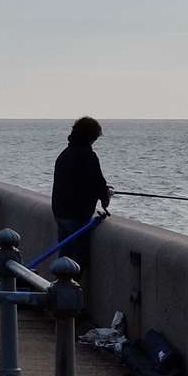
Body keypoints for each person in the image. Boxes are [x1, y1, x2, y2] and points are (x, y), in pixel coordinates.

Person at [51, 116, 113, 278]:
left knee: (64, 257)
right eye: (95, 138)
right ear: (90, 137)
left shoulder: (64, 155)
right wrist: (106, 196)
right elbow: (98, 184)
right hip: (77, 217)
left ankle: (59, 295)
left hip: (60, 213)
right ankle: (71, 297)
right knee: (76, 263)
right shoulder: (88, 156)